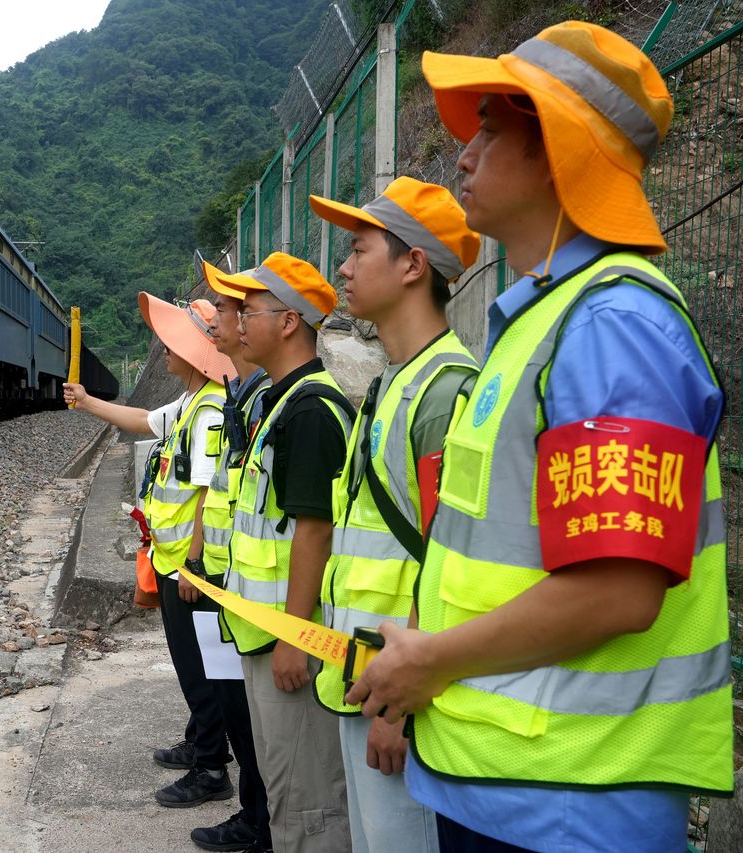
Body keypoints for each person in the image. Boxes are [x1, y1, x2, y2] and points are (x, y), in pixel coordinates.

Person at [345, 21, 734, 852]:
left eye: (489, 129)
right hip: (510, 782)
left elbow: (617, 589)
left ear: (558, 148)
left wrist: (431, 660)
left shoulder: (613, 325)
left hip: (573, 803)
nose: (463, 156)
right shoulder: (540, 321)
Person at [307, 177, 480, 853]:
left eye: (359, 250)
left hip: (401, 696)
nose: (344, 268)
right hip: (368, 678)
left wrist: (399, 709)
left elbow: (450, 567)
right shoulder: (393, 382)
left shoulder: (442, 393)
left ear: (413, 265)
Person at [64, 294, 239, 810]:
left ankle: (211, 767)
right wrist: (87, 401)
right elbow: (143, 420)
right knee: (191, 663)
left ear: (196, 353)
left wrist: (195, 564)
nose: (164, 349)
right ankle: (200, 739)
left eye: (173, 343)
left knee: (200, 668)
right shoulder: (190, 402)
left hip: (189, 565)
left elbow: (207, 493)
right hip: (171, 558)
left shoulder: (209, 410)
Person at [212, 252, 354, 852]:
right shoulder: (279, 402)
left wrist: (295, 637)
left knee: (308, 798)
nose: (239, 323)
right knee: (284, 787)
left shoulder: (311, 410)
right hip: (264, 633)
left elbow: (314, 530)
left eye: (250, 312)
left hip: (290, 640)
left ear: (290, 321)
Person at [184, 262, 274, 853]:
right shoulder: (243, 397)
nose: (217, 319)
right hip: (231, 583)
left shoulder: (268, 400)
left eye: (228, 308)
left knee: (255, 721)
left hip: (254, 597)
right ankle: (254, 816)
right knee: (240, 713)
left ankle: (261, 823)